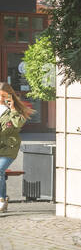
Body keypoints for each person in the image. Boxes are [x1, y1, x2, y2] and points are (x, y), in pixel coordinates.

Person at [0, 82, 34, 212]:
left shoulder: (15, 110)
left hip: (8, 149)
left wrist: (13, 108)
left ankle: (1, 199)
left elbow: (18, 124)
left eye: (4, 96)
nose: (1, 99)